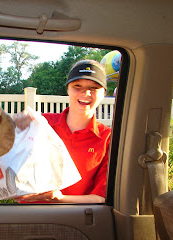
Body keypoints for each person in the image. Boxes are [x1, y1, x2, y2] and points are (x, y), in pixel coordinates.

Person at [13, 59, 111, 204]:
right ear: (68, 89)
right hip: (31, 215)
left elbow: (101, 197)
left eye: (94, 87)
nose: (86, 93)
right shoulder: (42, 123)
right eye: (77, 86)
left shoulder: (107, 138)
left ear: (103, 93)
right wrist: (15, 128)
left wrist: (59, 198)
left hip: (76, 220)